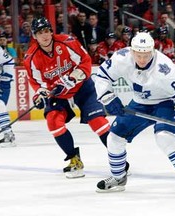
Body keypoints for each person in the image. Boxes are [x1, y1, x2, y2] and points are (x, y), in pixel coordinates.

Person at [93, 32, 175, 198]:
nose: (142, 59)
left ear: (152, 51)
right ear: (132, 51)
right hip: (140, 102)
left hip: (165, 102)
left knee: (164, 137)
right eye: (139, 55)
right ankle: (118, 178)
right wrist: (107, 97)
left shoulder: (164, 68)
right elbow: (102, 76)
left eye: (146, 55)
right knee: (114, 137)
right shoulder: (121, 57)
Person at [23, 17, 127, 179]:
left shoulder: (67, 42)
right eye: (39, 33)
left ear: (51, 31)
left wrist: (71, 79)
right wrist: (41, 95)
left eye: (46, 31)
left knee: (98, 123)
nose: (44, 35)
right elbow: (37, 83)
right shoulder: (31, 58)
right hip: (59, 94)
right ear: (34, 36)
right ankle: (74, 159)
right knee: (53, 122)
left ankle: (119, 159)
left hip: (83, 88)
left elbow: (85, 62)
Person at [0, 32, 18, 104]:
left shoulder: (11, 50)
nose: (2, 41)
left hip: (8, 76)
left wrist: (6, 53)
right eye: (0, 40)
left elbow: (15, 61)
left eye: (4, 40)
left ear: (6, 41)